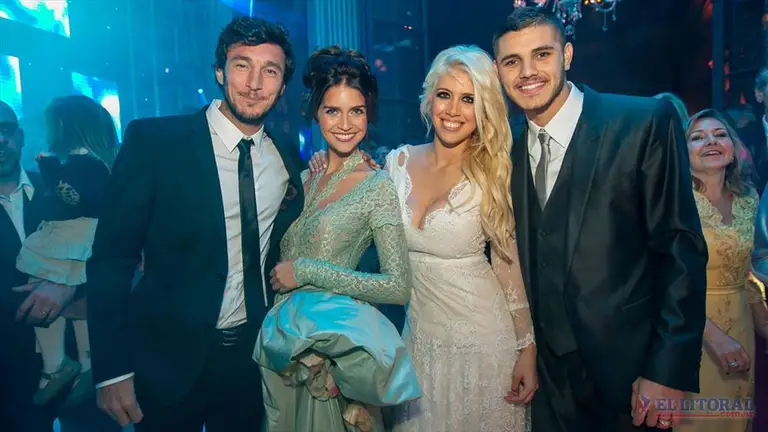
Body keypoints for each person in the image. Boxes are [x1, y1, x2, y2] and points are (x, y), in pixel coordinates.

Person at [493, 7, 707, 431]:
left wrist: (667, 369)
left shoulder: (641, 123)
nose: (528, 72)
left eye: (542, 54)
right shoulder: (505, 149)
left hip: (630, 375)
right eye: (512, 61)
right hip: (546, 383)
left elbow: (680, 249)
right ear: (498, 71)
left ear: (567, 55)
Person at [86, 17, 305, 431]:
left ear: (282, 85)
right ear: (219, 71)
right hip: (165, 361)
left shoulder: (286, 156)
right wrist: (112, 370)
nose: (254, 83)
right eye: (242, 65)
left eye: (270, 71)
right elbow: (112, 258)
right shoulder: (155, 143)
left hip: (251, 361)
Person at [311, 44, 537, 431]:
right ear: (429, 98)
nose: (453, 110)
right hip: (417, 346)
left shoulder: (492, 172)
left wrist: (526, 347)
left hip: (483, 345)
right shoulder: (395, 164)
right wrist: (327, 161)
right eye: (445, 94)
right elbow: (353, 215)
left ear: (483, 108)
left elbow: (507, 263)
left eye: (468, 99)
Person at [254, 45, 421, 432]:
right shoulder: (301, 176)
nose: (346, 124)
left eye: (356, 111)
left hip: (333, 355)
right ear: (315, 112)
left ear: (369, 113)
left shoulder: (377, 185)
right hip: (284, 350)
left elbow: (398, 286)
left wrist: (306, 271)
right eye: (332, 111)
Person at [15, 95, 115, 407]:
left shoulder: (80, 170)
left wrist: (73, 291)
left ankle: (66, 366)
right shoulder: (102, 169)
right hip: (20, 363)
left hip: (114, 349)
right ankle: (77, 366)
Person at [680, 109, 768, 430]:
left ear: (733, 148)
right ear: (683, 151)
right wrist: (714, 338)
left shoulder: (750, 200)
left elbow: (750, 273)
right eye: (697, 137)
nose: (711, 142)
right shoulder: (674, 204)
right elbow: (660, 282)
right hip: (690, 329)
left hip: (742, 327)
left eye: (720, 135)